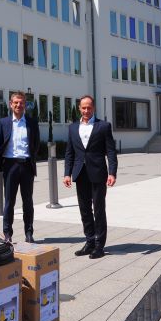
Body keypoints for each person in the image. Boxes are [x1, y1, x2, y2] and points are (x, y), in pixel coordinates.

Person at [63, 95, 118, 259]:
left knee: (99, 210)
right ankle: (90, 242)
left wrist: (112, 172)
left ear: (93, 108)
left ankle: (100, 245)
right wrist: (67, 173)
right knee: (84, 210)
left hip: (98, 173)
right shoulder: (73, 128)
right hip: (80, 174)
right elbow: (69, 152)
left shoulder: (103, 126)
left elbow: (111, 151)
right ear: (79, 108)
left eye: (89, 107)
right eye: (83, 107)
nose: (86, 110)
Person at [0, 91, 40, 243]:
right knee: (9, 201)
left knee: (28, 201)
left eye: (21, 103)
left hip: (27, 165)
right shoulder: (4, 123)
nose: (18, 105)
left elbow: (36, 145)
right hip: (10, 165)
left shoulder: (32, 123)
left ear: (25, 105)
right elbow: (0, 144)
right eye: (15, 102)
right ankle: (7, 233)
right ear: (11, 104)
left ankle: (29, 232)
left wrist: (31, 159)